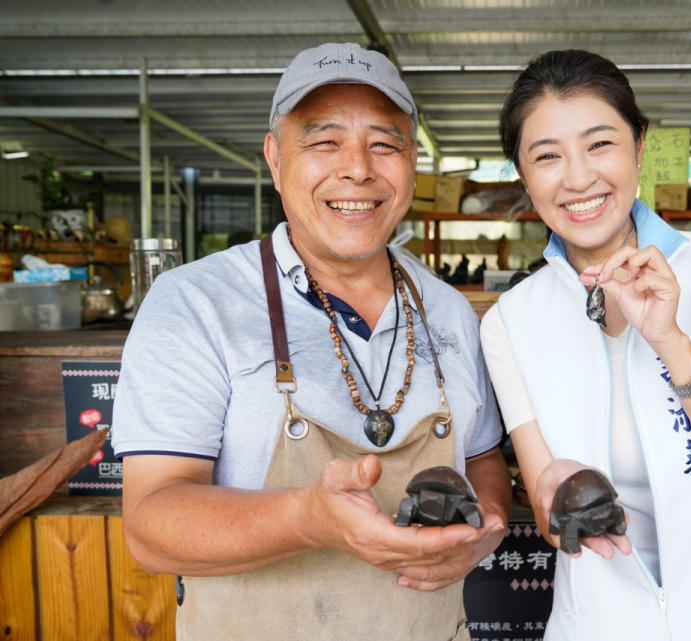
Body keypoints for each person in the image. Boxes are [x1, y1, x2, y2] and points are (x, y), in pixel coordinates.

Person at [112, 42, 511, 641]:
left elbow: (481, 460)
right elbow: (149, 525)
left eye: (385, 143)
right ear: (275, 158)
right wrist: (308, 519)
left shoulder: (449, 311)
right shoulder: (194, 303)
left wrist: (489, 528)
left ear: (411, 164)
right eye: (324, 142)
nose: (357, 168)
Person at [480, 50, 691, 640]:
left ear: (639, 147)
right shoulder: (511, 321)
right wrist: (555, 488)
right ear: (524, 175)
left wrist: (670, 340)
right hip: (599, 624)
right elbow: (546, 508)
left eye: (600, 144)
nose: (579, 177)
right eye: (546, 156)